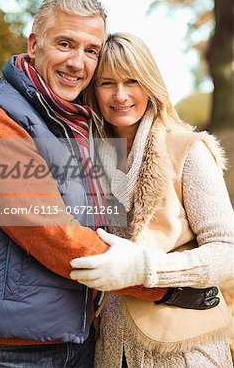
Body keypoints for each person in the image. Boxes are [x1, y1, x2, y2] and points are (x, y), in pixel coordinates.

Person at [0, 0, 172, 368]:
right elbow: (53, 233)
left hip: (75, 334)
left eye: (91, 50)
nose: (78, 63)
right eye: (65, 44)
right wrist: (162, 284)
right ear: (35, 44)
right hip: (10, 350)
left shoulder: (72, 119)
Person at [70, 33, 234, 367]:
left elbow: (228, 252)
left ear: (150, 83)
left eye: (132, 81)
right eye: (106, 83)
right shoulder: (88, 157)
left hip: (184, 350)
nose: (120, 95)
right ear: (93, 89)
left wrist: (145, 268)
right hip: (112, 349)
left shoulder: (187, 150)